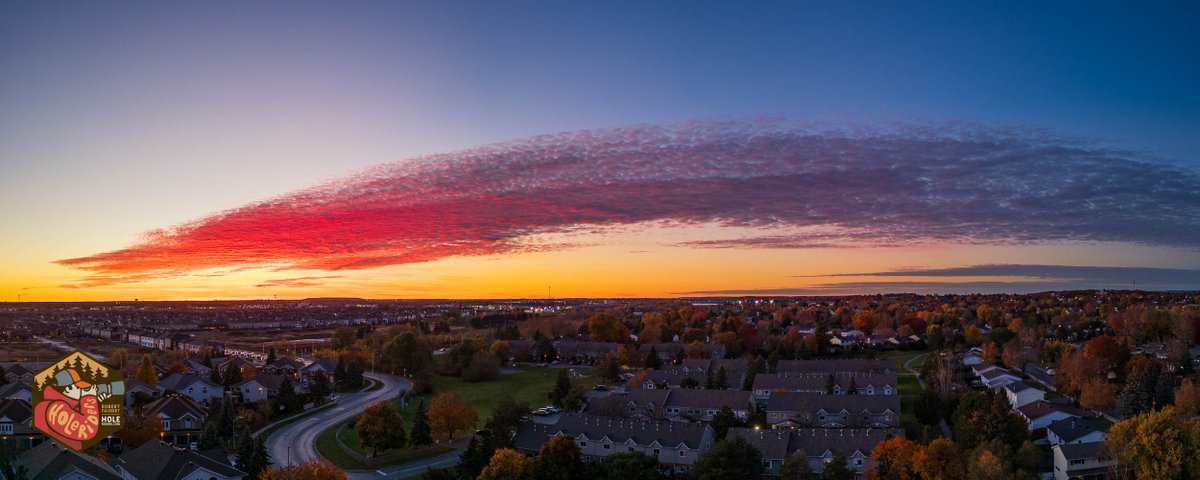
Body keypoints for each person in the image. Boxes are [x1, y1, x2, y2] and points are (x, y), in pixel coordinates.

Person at [33, 368, 103, 450]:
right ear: (68, 389)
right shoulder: (54, 408)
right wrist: (89, 398)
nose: (82, 391)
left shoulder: (61, 403)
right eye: (79, 388)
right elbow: (87, 430)